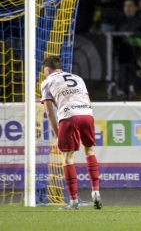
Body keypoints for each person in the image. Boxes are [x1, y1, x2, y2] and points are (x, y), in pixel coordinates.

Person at [40, 56, 102, 210]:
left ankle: (74, 201)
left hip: (69, 115)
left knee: (67, 157)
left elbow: (49, 112)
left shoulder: (47, 82)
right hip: (87, 114)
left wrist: (56, 131)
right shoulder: (78, 78)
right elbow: (88, 101)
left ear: (47, 70)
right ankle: (96, 191)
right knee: (89, 150)